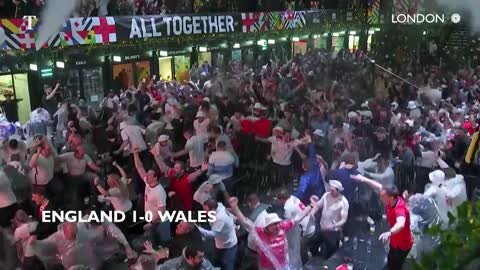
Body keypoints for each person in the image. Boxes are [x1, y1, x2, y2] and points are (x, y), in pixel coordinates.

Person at [228, 195, 317, 270]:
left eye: (278, 222)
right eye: (274, 224)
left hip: (283, 266)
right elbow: (245, 222)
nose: (277, 226)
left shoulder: (282, 227)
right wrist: (235, 207)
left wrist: (311, 206)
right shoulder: (260, 233)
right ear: (267, 226)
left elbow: (298, 218)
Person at [351, 174, 413, 270]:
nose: (380, 198)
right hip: (394, 240)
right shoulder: (391, 199)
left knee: (395, 265)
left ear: (391, 198)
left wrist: (389, 232)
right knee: (390, 260)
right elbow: (378, 186)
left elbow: (401, 224)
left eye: (383, 197)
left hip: (402, 243)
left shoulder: (399, 208)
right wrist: (364, 179)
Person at [132, 146, 171, 246]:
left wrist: (152, 223)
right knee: (156, 242)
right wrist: (135, 154)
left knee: (164, 243)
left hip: (160, 222)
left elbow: (162, 210)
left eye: (149, 175)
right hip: (154, 221)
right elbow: (139, 168)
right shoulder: (148, 183)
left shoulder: (159, 191)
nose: (146, 176)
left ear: (155, 178)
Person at [152, 146, 208, 211]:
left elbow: (193, 176)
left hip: (184, 210)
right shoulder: (173, 173)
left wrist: (201, 170)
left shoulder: (186, 178)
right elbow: (163, 167)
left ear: (182, 171)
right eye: (174, 167)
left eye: (177, 168)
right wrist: (156, 155)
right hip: (174, 207)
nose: (174, 169)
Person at [310, 180, 349, 259]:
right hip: (322, 227)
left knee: (330, 253)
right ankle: (316, 260)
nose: (331, 192)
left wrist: (333, 226)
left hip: (333, 232)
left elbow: (343, 219)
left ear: (338, 191)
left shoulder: (343, 202)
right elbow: (318, 205)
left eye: (333, 190)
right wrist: (313, 212)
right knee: (313, 246)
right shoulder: (326, 195)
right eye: (330, 190)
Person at [198, 199, 238, 270]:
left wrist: (198, 228)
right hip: (220, 243)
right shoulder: (218, 205)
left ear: (213, 209)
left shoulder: (220, 218)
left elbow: (212, 234)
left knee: (227, 265)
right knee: (218, 261)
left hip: (228, 246)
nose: (205, 212)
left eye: (206, 210)